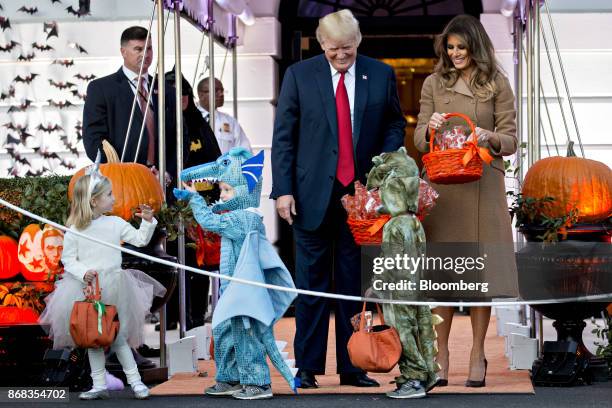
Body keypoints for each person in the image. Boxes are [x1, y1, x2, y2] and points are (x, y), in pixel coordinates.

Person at [271, 9, 406, 388]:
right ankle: (308, 368)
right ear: (321, 43)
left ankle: (353, 366)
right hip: (310, 194)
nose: (341, 56)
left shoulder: (380, 74)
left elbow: (394, 122)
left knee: (353, 284)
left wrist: (386, 159)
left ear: (358, 41)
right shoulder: (300, 75)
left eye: (347, 48)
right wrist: (282, 190)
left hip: (361, 195)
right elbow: (284, 136)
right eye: (333, 49)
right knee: (311, 287)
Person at [414, 14, 518, 388]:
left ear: (476, 46)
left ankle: (477, 353)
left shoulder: (497, 83)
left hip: (482, 186)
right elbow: (418, 140)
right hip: (443, 188)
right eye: (451, 48)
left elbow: (511, 140)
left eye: (462, 47)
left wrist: (489, 135)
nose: (456, 53)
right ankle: (441, 354)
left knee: (480, 274)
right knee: (441, 274)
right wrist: (431, 127)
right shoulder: (432, 83)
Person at [39, 156, 166, 400]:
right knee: (93, 340)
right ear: (94, 201)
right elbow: (69, 259)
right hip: (86, 290)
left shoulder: (115, 223)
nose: (114, 199)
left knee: (118, 338)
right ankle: (99, 384)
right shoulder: (75, 229)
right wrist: (82, 272)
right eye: (109, 195)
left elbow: (139, 240)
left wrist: (148, 222)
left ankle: (136, 381)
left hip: (115, 288)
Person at [174, 148, 296, 400]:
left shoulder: (244, 218)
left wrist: (195, 199)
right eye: (222, 189)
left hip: (245, 292)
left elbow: (210, 222)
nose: (222, 194)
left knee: (246, 334)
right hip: (232, 289)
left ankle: (257, 383)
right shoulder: (239, 215)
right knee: (223, 331)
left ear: (244, 190)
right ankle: (229, 377)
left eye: (227, 190)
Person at [83, 26, 186, 182]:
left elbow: (181, 138)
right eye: (138, 49)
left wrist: (168, 173)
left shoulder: (166, 90)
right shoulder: (101, 89)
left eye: (149, 48)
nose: (145, 54)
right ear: (123, 52)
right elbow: (93, 140)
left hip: (162, 182)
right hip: (121, 182)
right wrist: (118, 172)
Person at [196, 77, 252, 154]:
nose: (221, 94)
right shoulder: (187, 120)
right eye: (216, 91)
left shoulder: (230, 122)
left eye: (222, 90)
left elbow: (245, 151)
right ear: (201, 95)